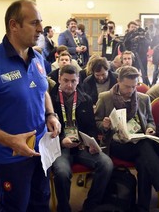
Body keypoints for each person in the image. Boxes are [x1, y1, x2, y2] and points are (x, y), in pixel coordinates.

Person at [0, 0, 61, 212]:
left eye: (41, 23)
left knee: (40, 203)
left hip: (40, 150)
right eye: (34, 23)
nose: (40, 29)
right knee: (15, 207)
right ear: (14, 25)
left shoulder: (37, 57)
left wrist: (51, 114)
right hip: (11, 156)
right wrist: (11, 141)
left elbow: (42, 89)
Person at [95, 66, 159, 212]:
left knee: (144, 160)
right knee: (144, 148)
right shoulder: (105, 97)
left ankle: (143, 207)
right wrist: (104, 125)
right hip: (116, 143)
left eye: (134, 86)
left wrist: (150, 128)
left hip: (139, 140)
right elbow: (96, 122)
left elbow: (150, 120)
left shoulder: (143, 98)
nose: (130, 90)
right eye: (127, 86)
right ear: (118, 81)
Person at [50, 64, 113, 212]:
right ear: (59, 79)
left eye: (73, 81)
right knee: (62, 172)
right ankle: (64, 208)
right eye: (65, 80)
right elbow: (44, 130)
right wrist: (61, 141)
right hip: (60, 146)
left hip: (82, 146)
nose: (69, 85)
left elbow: (91, 127)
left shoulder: (85, 99)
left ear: (78, 80)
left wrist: (92, 143)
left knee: (106, 164)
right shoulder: (50, 100)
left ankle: (91, 204)